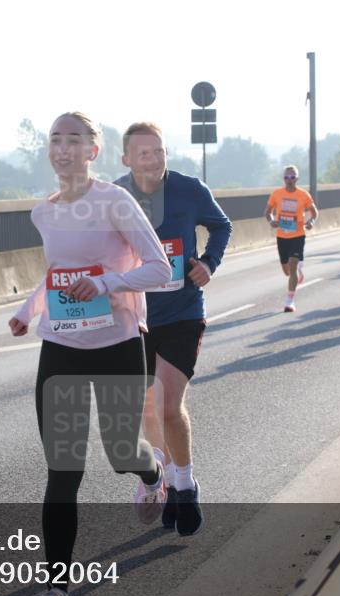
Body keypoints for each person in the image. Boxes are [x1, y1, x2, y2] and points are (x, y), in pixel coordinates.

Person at [9, 112, 171, 596]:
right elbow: (55, 272)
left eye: (73, 140)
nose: (62, 149)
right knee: (64, 470)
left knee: (123, 453)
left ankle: (154, 477)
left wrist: (106, 283)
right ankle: (58, 594)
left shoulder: (114, 202)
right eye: (55, 140)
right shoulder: (44, 212)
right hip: (61, 348)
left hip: (119, 343)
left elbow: (159, 271)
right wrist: (29, 309)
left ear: (92, 151)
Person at [114, 121, 232, 536]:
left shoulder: (189, 189)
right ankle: (161, 482)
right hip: (136, 317)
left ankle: (185, 484)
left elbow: (222, 225)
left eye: (159, 151)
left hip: (183, 312)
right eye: (143, 153)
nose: (153, 159)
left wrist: (208, 263)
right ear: (126, 159)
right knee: (149, 407)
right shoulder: (115, 196)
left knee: (168, 405)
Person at [265, 165, 319, 313]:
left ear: (297, 178)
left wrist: (311, 222)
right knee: (287, 271)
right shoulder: (277, 194)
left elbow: (314, 213)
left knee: (293, 265)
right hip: (282, 236)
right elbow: (268, 211)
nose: (289, 180)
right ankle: (297, 270)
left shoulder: (304, 195)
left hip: (298, 235)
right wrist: (271, 221)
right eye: (286, 177)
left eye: (292, 177)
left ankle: (290, 301)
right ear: (283, 179)